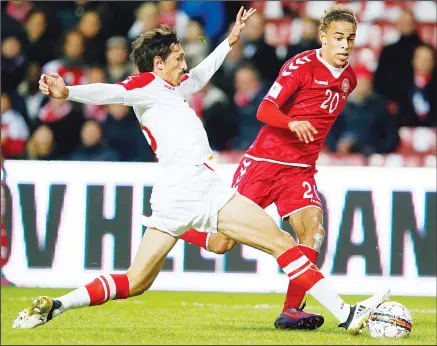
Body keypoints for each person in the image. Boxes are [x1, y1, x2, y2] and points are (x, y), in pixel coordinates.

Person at [13, 7, 389, 333]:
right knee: (284, 244)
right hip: (199, 186)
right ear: (158, 64)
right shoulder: (147, 85)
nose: (185, 61)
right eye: (178, 56)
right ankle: (346, 313)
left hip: (171, 198)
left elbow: (201, 75)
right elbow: (112, 91)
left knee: (135, 281)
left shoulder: (172, 89)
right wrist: (69, 92)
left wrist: (229, 41)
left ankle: (57, 305)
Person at [180, 5, 370, 331]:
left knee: (313, 230)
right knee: (224, 242)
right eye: (338, 37)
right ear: (323, 37)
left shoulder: (348, 79)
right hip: (264, 164)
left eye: (350, 38)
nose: (344, 44)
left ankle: (292, 311)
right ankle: (176, 226)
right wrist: (292, 123)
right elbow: (265, 111)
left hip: (299, 171)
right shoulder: (301, 66)